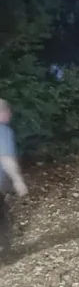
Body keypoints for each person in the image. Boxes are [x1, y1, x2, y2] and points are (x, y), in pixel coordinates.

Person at [0, 99, 28, 252]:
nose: (10, 114)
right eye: (7, 111)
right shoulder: (3, 131)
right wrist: (18, 181)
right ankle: (4, 252)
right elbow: (6, 158)